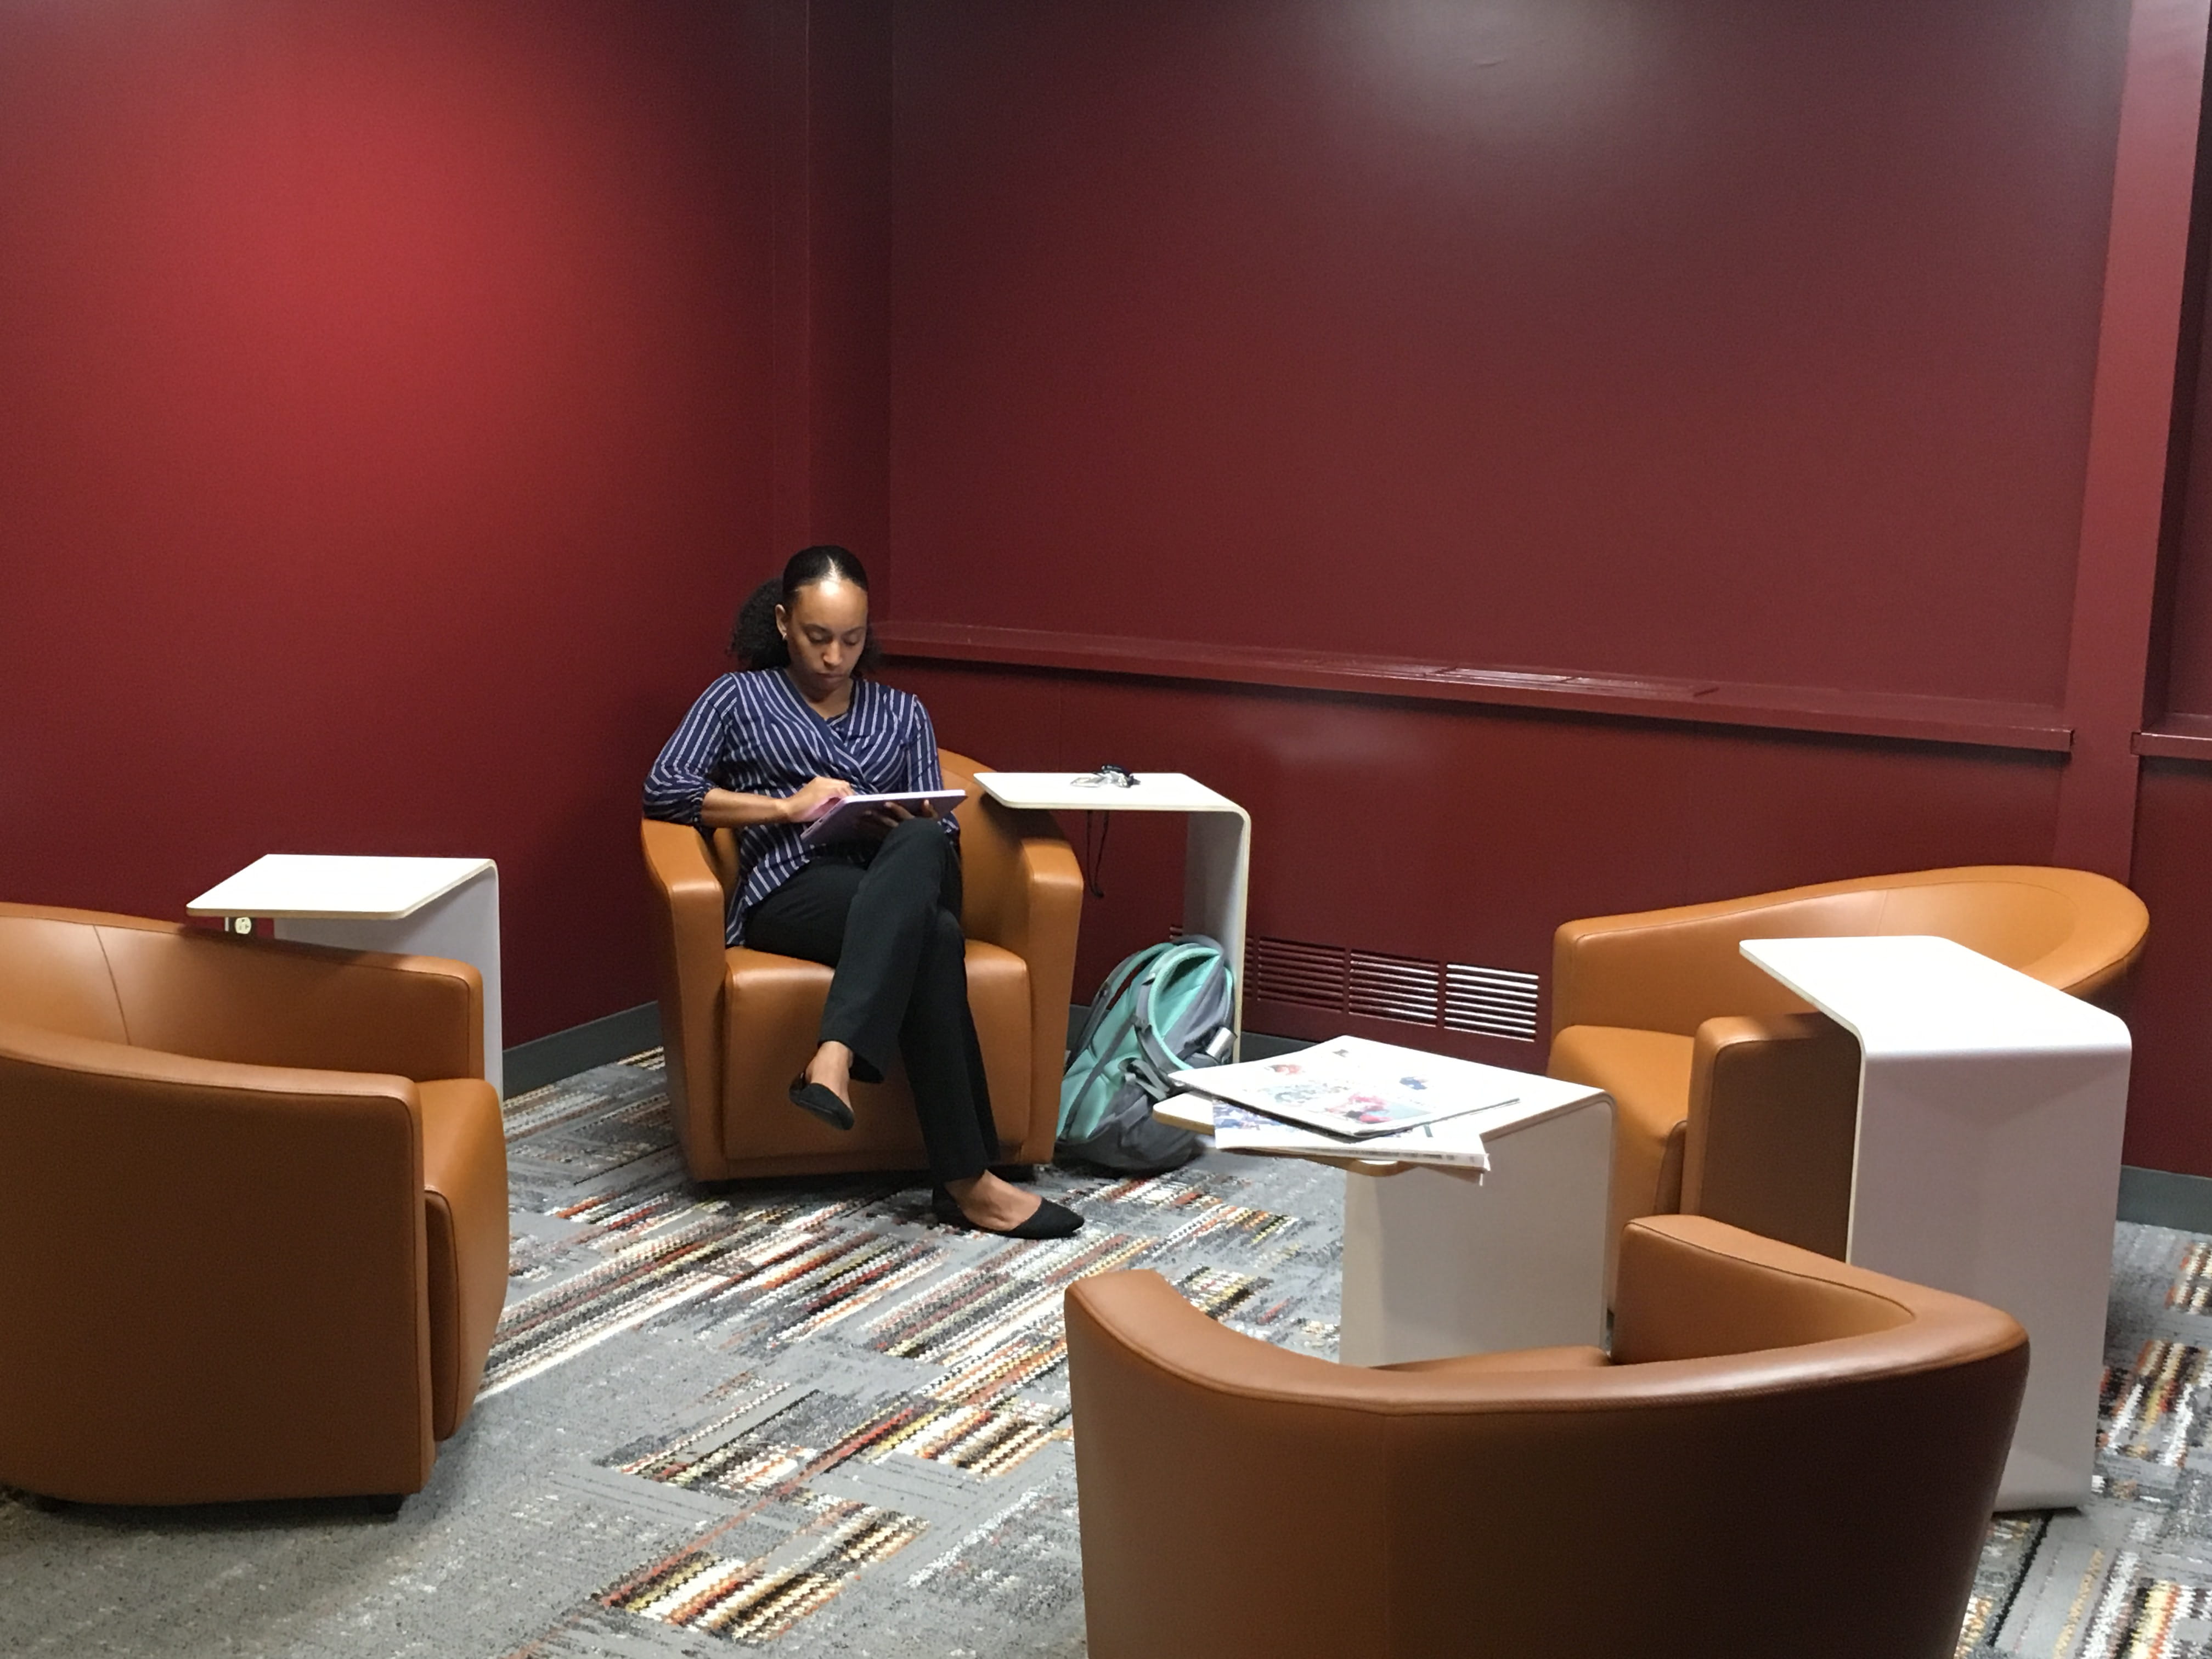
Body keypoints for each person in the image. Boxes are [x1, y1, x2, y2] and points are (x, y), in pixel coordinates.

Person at [642, 545, 1082, 1239]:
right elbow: (666, 791)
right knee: (932, 938)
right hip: (792, 891)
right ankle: (966, 1181)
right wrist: (786, 808)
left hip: (894, 877)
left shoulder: (904, 712)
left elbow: (941, 835)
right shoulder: (735, 697)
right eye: (818, 638)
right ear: (785, 622)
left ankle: (837, 1056)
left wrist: (902, 825)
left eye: (851, 640)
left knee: (919, 844)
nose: (834, 657)